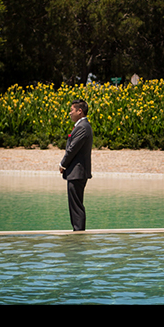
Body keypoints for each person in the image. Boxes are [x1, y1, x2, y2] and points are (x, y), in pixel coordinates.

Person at [58, 99, 93, 231]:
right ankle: (77, 230)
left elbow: (72, 149)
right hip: (76, 172)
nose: (70, 113)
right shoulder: (82, 126)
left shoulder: (83, 127)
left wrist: (62, 164)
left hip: (77, 172)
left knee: (76, 205)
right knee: (75, 204)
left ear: (80, 111)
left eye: (72, 110)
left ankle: (79, 233)